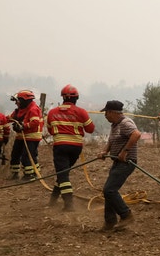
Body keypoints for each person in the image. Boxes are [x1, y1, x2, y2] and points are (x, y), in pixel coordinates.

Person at [45, 85, 95, 211]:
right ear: (76, 98)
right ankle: (53, 200)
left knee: (63, 174)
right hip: (76, 147)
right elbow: (90, 129)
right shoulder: (81, 112)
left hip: (60, 146)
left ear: (62, 97)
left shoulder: (52, 112)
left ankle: (69, 204)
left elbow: (51, 131)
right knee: (63, 173)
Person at [98, 100, 141, 231]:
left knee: (109, 190)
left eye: (106, 112)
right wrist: (105, 151)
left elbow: (136, 134)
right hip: (117, 161)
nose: (105, 116)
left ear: (112, 112)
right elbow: (111, 141)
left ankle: (126, 215)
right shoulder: (115, 125)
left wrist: (124, 152)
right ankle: (110, 222)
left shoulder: (125, 123)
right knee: (108, 190)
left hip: (127, 162)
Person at [8, 90, 43, 180]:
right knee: (15, 154)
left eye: (17, 101)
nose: (16, 103)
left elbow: (35, 122)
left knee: (27, 156)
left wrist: (23, 126)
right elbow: (9, 118)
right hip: (21, 136)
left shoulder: (33, 109)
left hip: (32, 137)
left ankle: (29, 175)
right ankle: (15, 174)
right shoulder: (19, 110)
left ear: (24, 101)